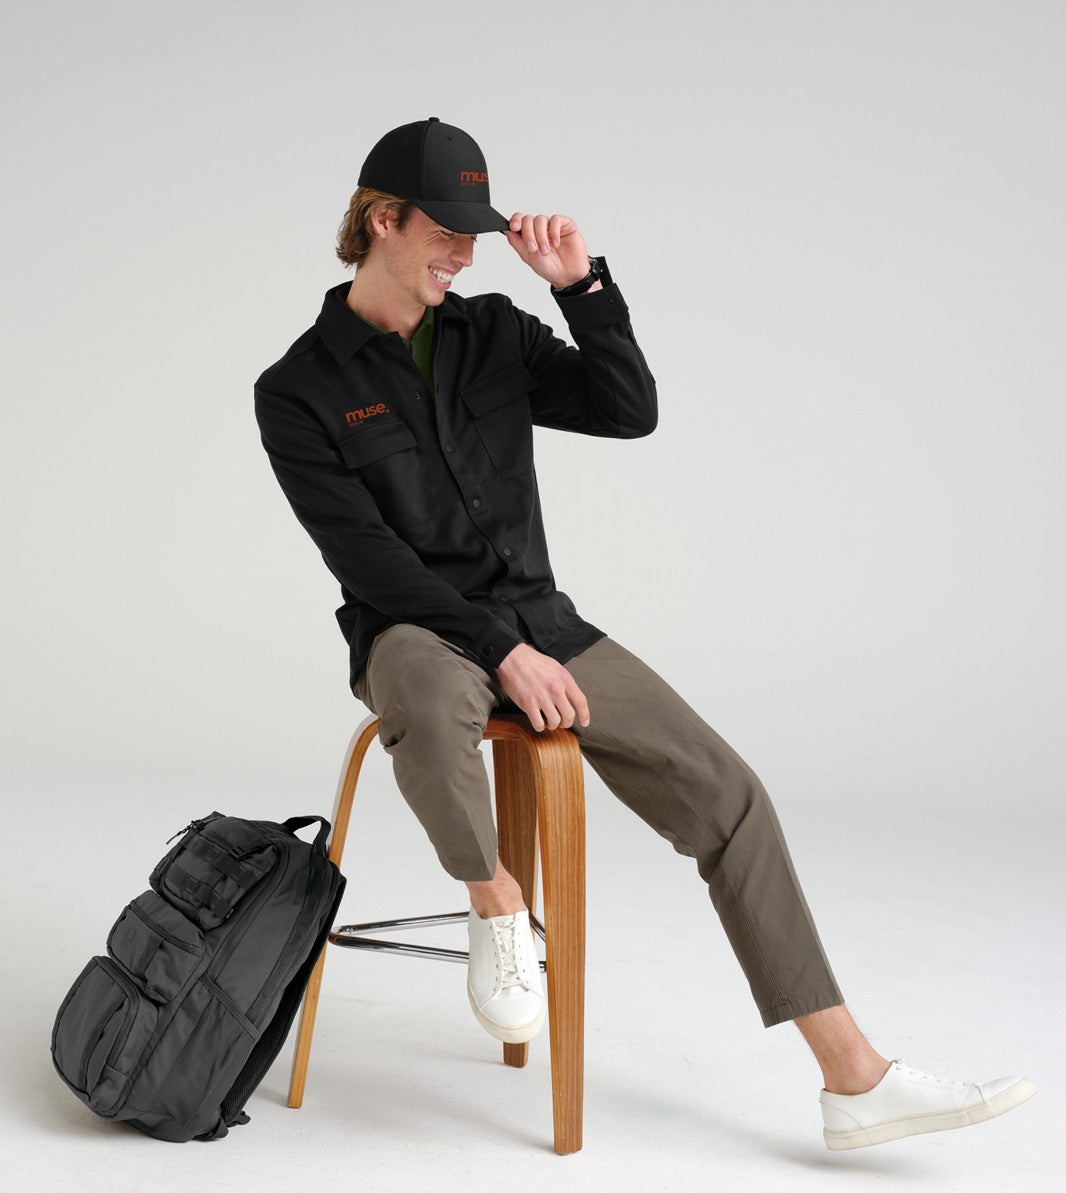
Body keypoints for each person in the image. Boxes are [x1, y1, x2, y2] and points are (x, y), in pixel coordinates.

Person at [254, 117, 1034, 1150]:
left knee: (729, 794)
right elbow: (367, 560)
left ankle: (854, 1077)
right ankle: (497, 904)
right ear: (384, 220)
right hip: (414, 630)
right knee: (430, 704)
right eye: (447, 230)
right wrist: (499, 653)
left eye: (476, 234)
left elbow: (629, 410)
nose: (466, 253)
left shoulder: (496, 332)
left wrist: (580, 289)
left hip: (542, 621)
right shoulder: (299, 388)